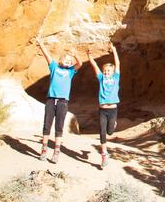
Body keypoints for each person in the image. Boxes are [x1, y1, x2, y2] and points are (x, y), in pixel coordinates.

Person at [32, 36, 82, 164]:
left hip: (62, 102)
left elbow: (80, 64)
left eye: (70, 61)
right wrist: (41, 44)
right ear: (61, 60)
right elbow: (47, 56)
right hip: (50, 100)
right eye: (66, 59)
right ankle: (43, 150)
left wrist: (75, 55)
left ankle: (56, 152)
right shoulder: (54, 67)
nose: (68, 61)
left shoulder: (71, 71)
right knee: (46, 125)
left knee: (59, 127)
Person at [87, 42, 121, 169]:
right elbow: (94, 66)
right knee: (102, 131)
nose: (106, 72)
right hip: (102, 109)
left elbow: (118, 64)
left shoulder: (116, 77)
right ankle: (104, 154)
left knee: (110, 132)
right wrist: (89, 57)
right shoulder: (101, 78)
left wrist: (114, 51)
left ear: (112, 72)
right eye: (105, 70)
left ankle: (113, 125)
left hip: (113, 110)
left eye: (109, 70)